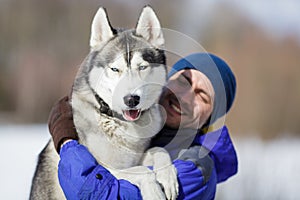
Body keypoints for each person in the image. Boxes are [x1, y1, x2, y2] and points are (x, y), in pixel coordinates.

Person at [48, 52, 237, 199]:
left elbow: (99, 194)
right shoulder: (130, 127)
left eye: (201, 96)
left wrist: (67, 140)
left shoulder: (197, 168)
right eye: (182, 81)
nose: (184, 97)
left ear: (209, 118)